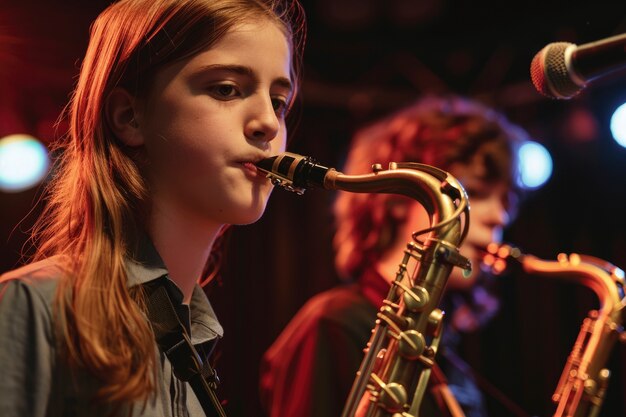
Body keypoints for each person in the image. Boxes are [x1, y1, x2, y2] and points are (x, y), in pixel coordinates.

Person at [0, 1, 305, 416]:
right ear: (129, 116)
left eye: (279, 101)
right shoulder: (34, 307)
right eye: (226, 89)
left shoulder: (190, 348)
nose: (269, 123)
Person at [260, 95, 529, 417]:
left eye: (507, 201)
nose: (500, 217)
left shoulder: (442, 342)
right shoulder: (334, 323)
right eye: (478, 193)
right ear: (403, 196)